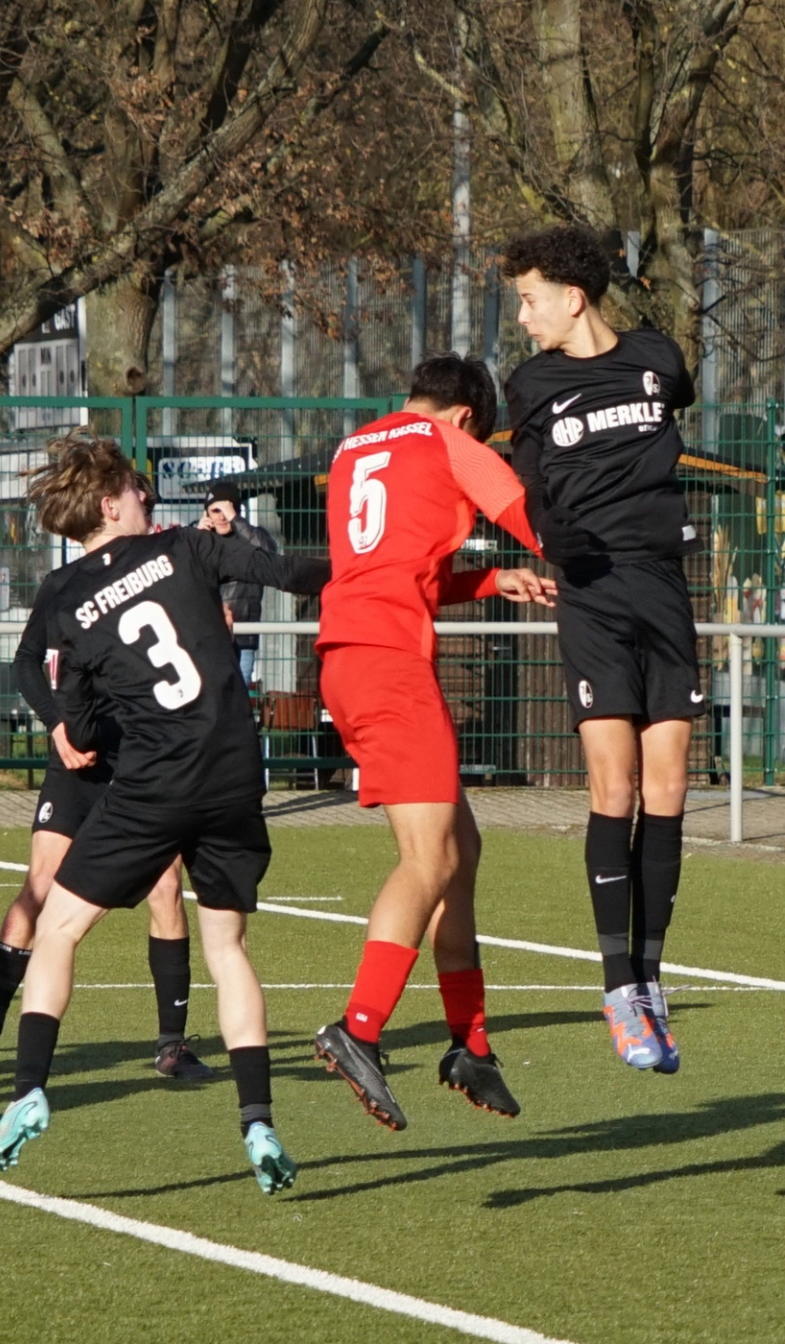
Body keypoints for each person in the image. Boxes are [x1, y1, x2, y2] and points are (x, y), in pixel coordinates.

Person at [0, 458, 331, 1194]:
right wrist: (388, 562)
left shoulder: (67, 598)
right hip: (235, 778)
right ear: (113, 504)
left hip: (154, 784)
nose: (150, 495)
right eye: (141, 488)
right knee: (228, 947)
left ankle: (28, 1090)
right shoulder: (187, 548)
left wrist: (76, 716)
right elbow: (295, 574)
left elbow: (79, 716)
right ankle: (258, 1120)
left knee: (60, 929)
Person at [309, 354, 556, 1131]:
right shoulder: (448, 443)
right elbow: (537, 519)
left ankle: (470, 1046)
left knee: (462, 850)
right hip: (389, 666)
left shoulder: (355, 449)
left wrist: (489, 581)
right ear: (466, 419)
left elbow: (392, 569)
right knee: (430, 860)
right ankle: (358, 1028)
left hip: (350, 658)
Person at [502, 224, 704, 1074]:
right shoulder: (532, 384)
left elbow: (670, 419)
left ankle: (651, 980)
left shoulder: (659, 360)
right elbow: (530, 488)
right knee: (613, 786)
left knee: (669, 786)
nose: (521, 316)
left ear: (573, 296)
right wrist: (551, 537)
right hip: (592, 596)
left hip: (663, 588)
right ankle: (617, 986)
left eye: (528, 298)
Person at [0, 435, 210, 1082]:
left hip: (141, 756)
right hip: (81, 757)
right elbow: (26, 662)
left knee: (167, 887)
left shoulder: (162, 567)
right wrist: (60, 725)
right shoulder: (66, 587)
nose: (143, 496)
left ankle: (171, 1045)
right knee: (40, 888)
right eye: (132, 488)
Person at [197, 481, 277, 689]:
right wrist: (197, 538)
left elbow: (268, 554)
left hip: (243, 639)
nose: (221, 517)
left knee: (238, 700)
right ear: (206, 512)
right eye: (215, 510)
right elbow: (182, 574)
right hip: (206, 637)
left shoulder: (252, 537)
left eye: (227, 509)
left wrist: (236, 520)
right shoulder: (197, 539)